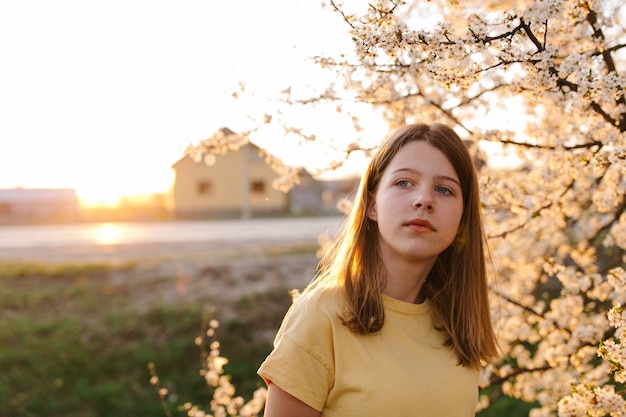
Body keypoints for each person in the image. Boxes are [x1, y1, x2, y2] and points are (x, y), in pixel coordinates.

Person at [258, 123, 499, 417]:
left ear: (462, 218)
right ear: (372, 205)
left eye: (444, 189)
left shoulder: (459, 326)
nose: (424, 200)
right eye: (404, 183)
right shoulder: (323, 315)